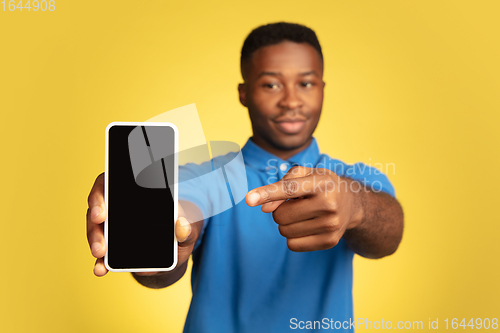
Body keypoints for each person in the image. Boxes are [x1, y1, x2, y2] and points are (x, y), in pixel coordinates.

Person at [86, 22, 404, 332]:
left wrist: (355, 206)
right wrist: (166, 235)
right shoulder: (203, 177)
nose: (291, 101)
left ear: (322, 89)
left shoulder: (352, 179)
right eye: (271, 84)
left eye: (306, 83)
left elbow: (390, 231)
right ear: (244, 93)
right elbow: (169, 246)